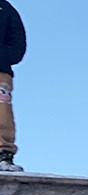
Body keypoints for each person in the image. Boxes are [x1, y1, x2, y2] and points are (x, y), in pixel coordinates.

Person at [0, 0, 25, 172]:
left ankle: (3, 156)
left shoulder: (6, 9)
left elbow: (18, 46)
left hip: (0, 71)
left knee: (2, 115)